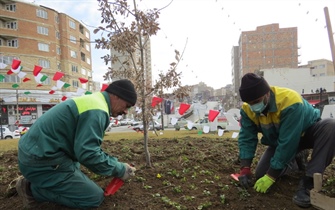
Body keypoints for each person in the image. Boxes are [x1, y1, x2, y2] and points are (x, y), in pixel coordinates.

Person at [16, 79, 137, 209]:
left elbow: (82, 149)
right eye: (127, 106)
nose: (125, 112)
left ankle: (43, 181)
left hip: (36, 153)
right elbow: (88, 154)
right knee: (94, 198)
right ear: (116, 95)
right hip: (40, 161)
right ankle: (31, 190)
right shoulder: (97, 111)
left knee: (76, 168)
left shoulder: (95, 101)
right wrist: (119, 169)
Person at [236, 73, 335, 208]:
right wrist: (245, 168)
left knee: (330, 127)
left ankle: (309, 181)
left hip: (307, 132)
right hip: (281, 140)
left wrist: (272, 176)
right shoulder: (247, 110)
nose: (254, 106)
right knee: (261, 174)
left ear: (267, 93)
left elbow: (289, 141)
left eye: (257, 101)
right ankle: (296, 157)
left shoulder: (289, 101)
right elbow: (247, 137)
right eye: (250, 103)